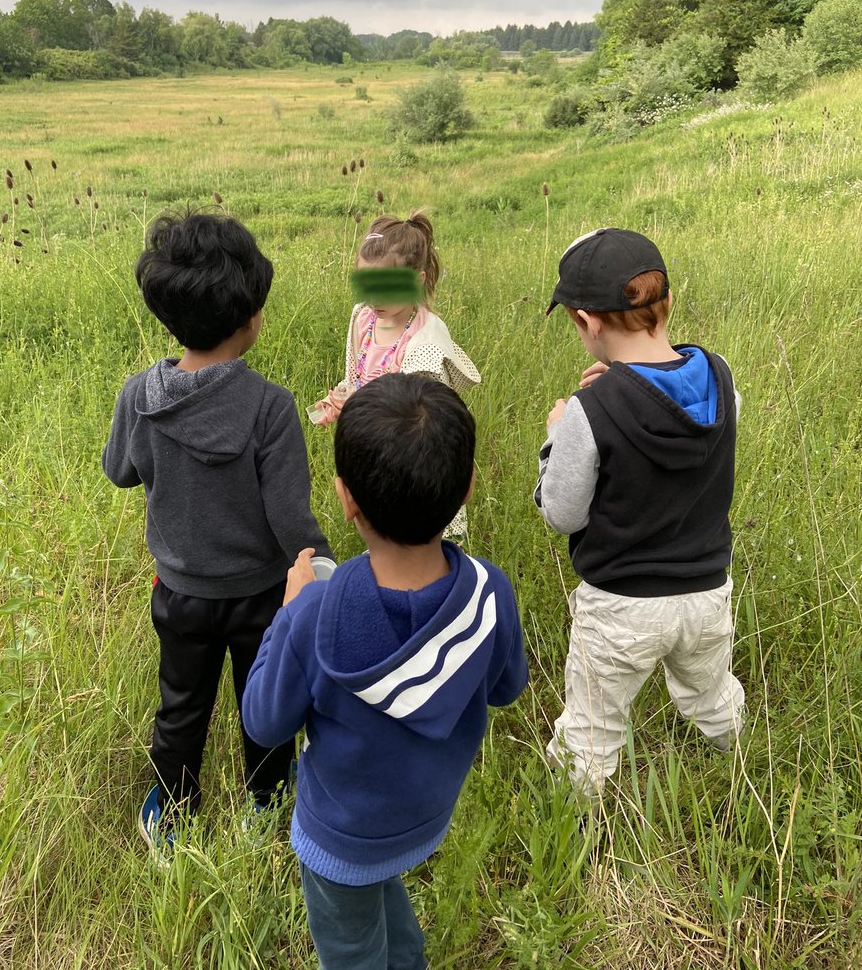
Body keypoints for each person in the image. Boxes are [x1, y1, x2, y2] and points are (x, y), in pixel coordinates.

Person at [243, 374, 528, 970]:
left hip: (339, 838)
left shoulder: (315, 616)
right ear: (468, 488)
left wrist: (287, 612)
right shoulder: (489, 593)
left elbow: (264, 723)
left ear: (346, 500)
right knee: (389, 923)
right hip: (423, 817)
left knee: (350, 948)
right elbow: (507, 688)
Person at [102, 211, 332, 864]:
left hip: (178, 593)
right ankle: (269, 804)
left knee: (181, 705)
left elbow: (119, 471)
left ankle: (171, 814)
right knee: (265, 702)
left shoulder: (139, 395)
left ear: (167, 317)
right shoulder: (270, 407)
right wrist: (325, 565)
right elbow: (291, 520)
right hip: (261, 596)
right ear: (251, 317)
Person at [534, 227, 744, 801]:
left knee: (592, 731)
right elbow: (684, 421)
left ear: (587, 322)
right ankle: (737, 756)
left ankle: (573, 823)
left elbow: (562, 513)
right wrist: (632, 385)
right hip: (705, 594)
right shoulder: (722, 379)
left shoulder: (588, 410)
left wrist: (557, 438)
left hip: (620, 608)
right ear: (667, 303)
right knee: (710, 693)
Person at [314, 211, 480, 539]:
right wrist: (342, 398)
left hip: (412, 459)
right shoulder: (363, 319)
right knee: (380, 529)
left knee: (415, 530)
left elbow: (420, 420)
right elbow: (358, 375)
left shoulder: (424, 342)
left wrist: (357, 409)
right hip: (373, 450)